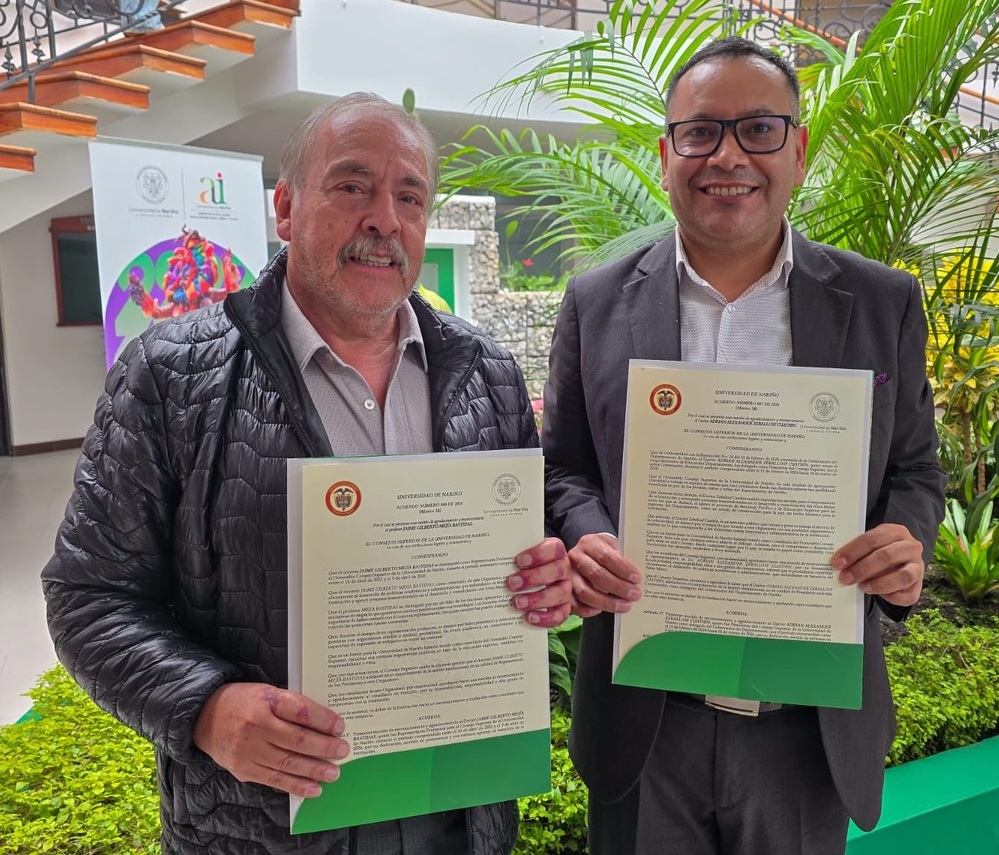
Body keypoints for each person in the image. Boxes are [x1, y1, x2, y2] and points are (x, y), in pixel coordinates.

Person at [42, 93, 571, 855]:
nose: (384, 219)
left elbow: (525, 557)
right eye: (352, 186)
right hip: (261, 828)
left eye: (409, 196)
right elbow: (88, 595)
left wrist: (544, 578)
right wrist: (205, 707)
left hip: (460, 814)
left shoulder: (485, 371)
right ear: (286, 208)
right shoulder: (170, 375)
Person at [543, 37, 946, 855]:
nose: (727, 156)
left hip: (803, 731)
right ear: (666, 155)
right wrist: (590, 537)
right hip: (646, 721)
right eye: (700, 132)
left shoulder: (881, 301)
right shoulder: (595, 302)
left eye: (758, 129)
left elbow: (913, 468)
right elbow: (564, 467)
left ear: (797, 151)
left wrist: (904, 542)